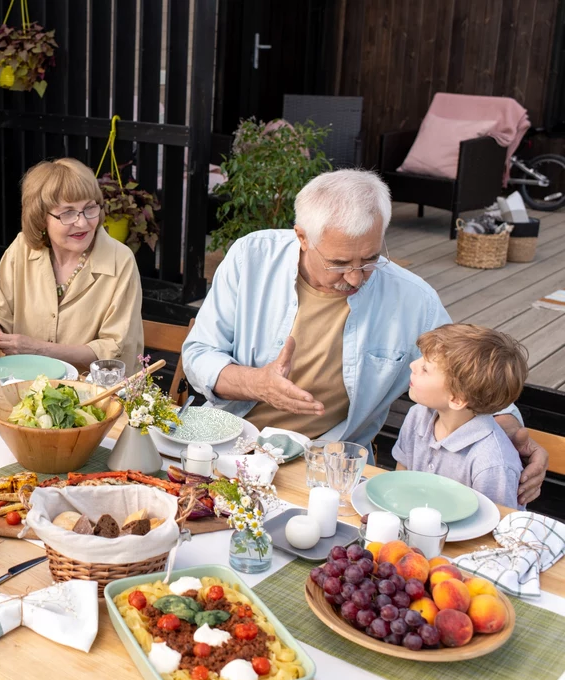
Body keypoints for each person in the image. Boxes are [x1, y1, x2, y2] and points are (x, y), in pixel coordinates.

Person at [182, 169, 549, 506]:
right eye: (340, 264)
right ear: (302, 237)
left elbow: (466, 377)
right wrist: (257, 383)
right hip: (228, 447)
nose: (356, 277)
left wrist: (510, 433)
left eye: (370, 259)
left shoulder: (412, 298)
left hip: (329, 473)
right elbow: (199, 354)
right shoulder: (252, 258)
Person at [0, 158, 144, 373]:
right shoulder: (22, 248)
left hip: (95, 395)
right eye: (68, 213)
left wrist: (40, 349)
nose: (82, 223)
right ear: (40, 217)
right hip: (22, 382)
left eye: (89, 208)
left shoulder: (121, 261)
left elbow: (114, 351)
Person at [393, 324, 528, 509]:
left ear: (456, 399)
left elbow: (497, 527)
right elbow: (400, 480)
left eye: (425, 368)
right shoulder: (417, 415)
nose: (413, 364)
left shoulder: (492, 462)